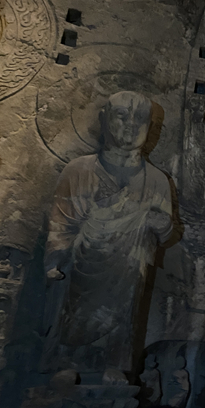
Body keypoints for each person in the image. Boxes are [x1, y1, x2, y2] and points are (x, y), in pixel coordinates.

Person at [42, 91, 174, 373]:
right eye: (122, 116)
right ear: (104, 121)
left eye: (140, 119)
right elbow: (60, 225)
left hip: (128, 271)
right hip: (81, 271)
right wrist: (54, 259)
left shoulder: (157, 180)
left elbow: (165, 230)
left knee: (123, 326)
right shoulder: (78, 170)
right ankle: (63, 362)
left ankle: (115, 367)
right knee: (69, 325)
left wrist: (160, 224)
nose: (131, 125)